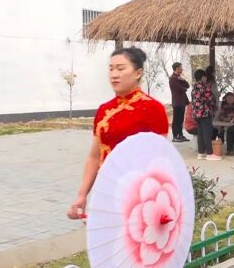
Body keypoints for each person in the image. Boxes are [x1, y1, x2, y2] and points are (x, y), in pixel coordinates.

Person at [67, 47, 170, 220]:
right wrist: (82, 195)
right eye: (111, 69)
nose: (114, 74)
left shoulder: (153, 109)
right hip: (106, 189)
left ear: (138, 73)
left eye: (121, 69)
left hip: (138, 195)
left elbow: (160, 160)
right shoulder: (103, 110)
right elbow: (94, 156)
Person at [192, 69, 221, 161]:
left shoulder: (194, 87)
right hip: (205, 112)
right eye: (205, 76)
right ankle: (209, 153)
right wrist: (214, 105)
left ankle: (201, 153)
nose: (206, 78)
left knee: (200, 133)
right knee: (207, 133)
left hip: (197, 114)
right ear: (202, 77)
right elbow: (210, 98)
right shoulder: (205, 86)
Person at [169, 62, 190, 142]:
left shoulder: (179, 77)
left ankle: (180, 135)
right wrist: (184, 88)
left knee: (181, 119)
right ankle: (175, 136)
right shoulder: (172, 78)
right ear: (176, 68)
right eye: (180, 67)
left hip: (182, 101)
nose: (182, 69)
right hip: (177, 101)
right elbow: (180, 89)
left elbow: (187, 85)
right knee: (176, 119)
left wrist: (183, 80)